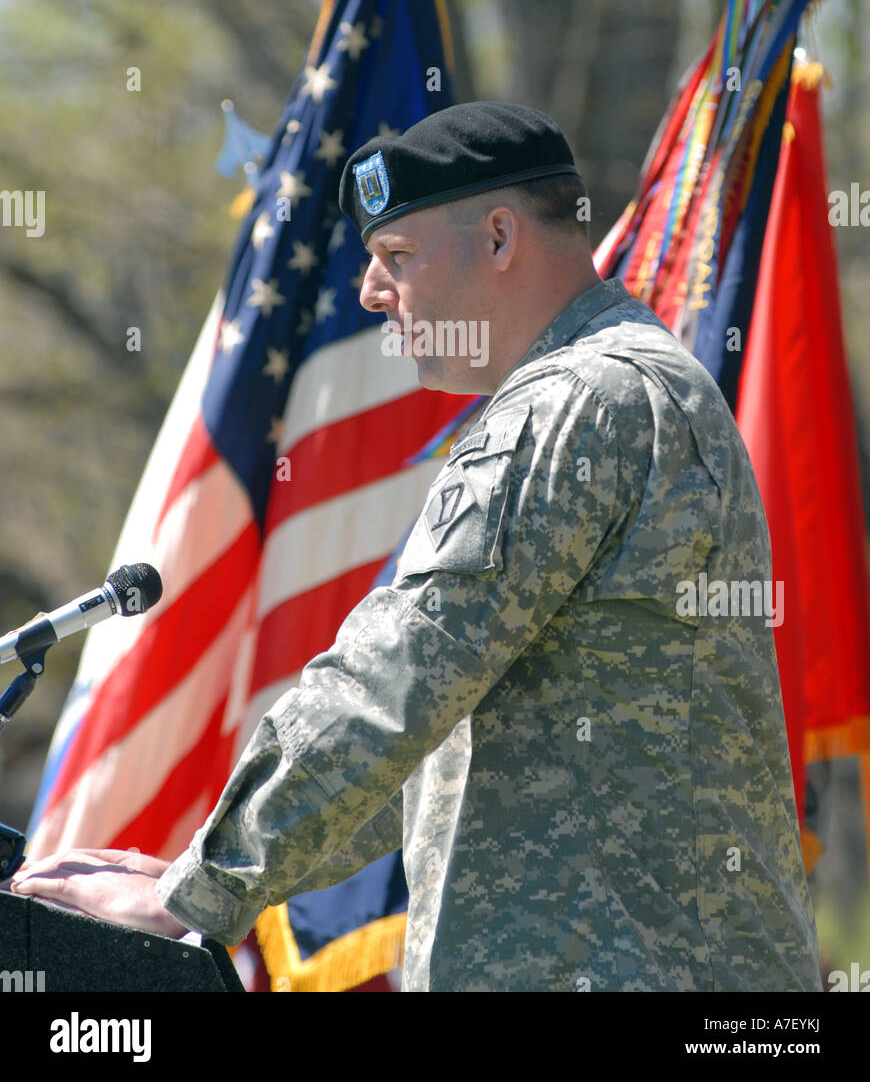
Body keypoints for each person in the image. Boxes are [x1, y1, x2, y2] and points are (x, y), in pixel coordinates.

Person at [4, 102, 822, 991]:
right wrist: (207, 871)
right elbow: (420, 742)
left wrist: (198, 889)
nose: (370, 291)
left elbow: (396, 674)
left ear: (500, 237)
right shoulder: (622, 386)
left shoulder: (579, 400)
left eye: (398, 258)